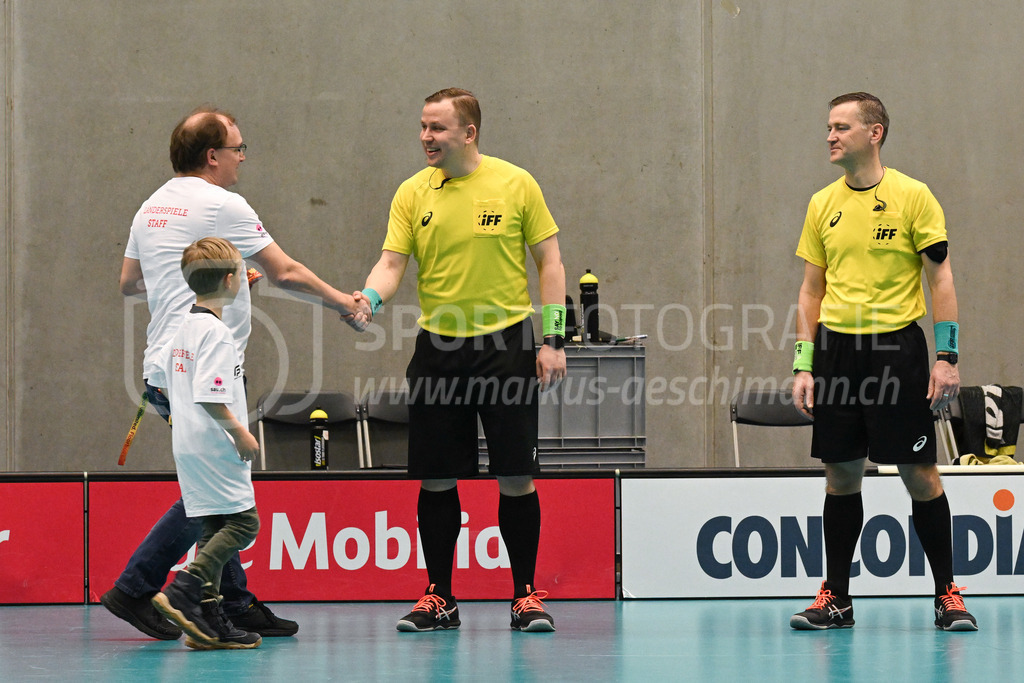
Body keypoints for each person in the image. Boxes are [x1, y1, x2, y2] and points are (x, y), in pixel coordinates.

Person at [105, 106, 364, 641]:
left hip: (163, 367)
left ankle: (235, 601)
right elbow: (286, 271)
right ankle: (140, 586)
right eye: (238, 148)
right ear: (212, 156)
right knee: (214, 495)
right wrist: (346, 305)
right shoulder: (224, 205)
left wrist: (210, 283)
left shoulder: (149, 207)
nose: (242, 158)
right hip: (206, 368)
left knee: (218, 486)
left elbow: (132, 283)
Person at [355, 88, 567, 633]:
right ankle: (440, 598)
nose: (426, 137)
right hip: (438, 351)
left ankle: (524, 595)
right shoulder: (411, 192)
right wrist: (370, 300)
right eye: (423, 127)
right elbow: (391, 262)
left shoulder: (516, 183)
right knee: (436, 478)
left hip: (507, 347)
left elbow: (550, 261)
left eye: (437, 128)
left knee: (516, 475)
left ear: (468, 133)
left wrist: (553, 339)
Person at [789, 92, 977, 632]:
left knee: (919, 473)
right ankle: (837, 600)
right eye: (828, 126)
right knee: (841, 474)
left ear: (874, 133)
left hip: (897, 350)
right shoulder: (821, 204)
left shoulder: (914, 197)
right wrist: (805, 363)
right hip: (836, 351)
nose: (830, 135)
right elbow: (809, 291)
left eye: (842, 127)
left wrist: (947, 356)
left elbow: (940, 278)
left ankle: (947, 594)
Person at [150, 237, 263, 649]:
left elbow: (159, 383)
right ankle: (186, 586)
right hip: (217, 443)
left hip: (188, 442)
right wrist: (241, 433)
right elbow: (210, 394)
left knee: (213, 523)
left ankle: (207, 622)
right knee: (243, 522)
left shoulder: (182, 327)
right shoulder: (217, 334)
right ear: (233, 280)